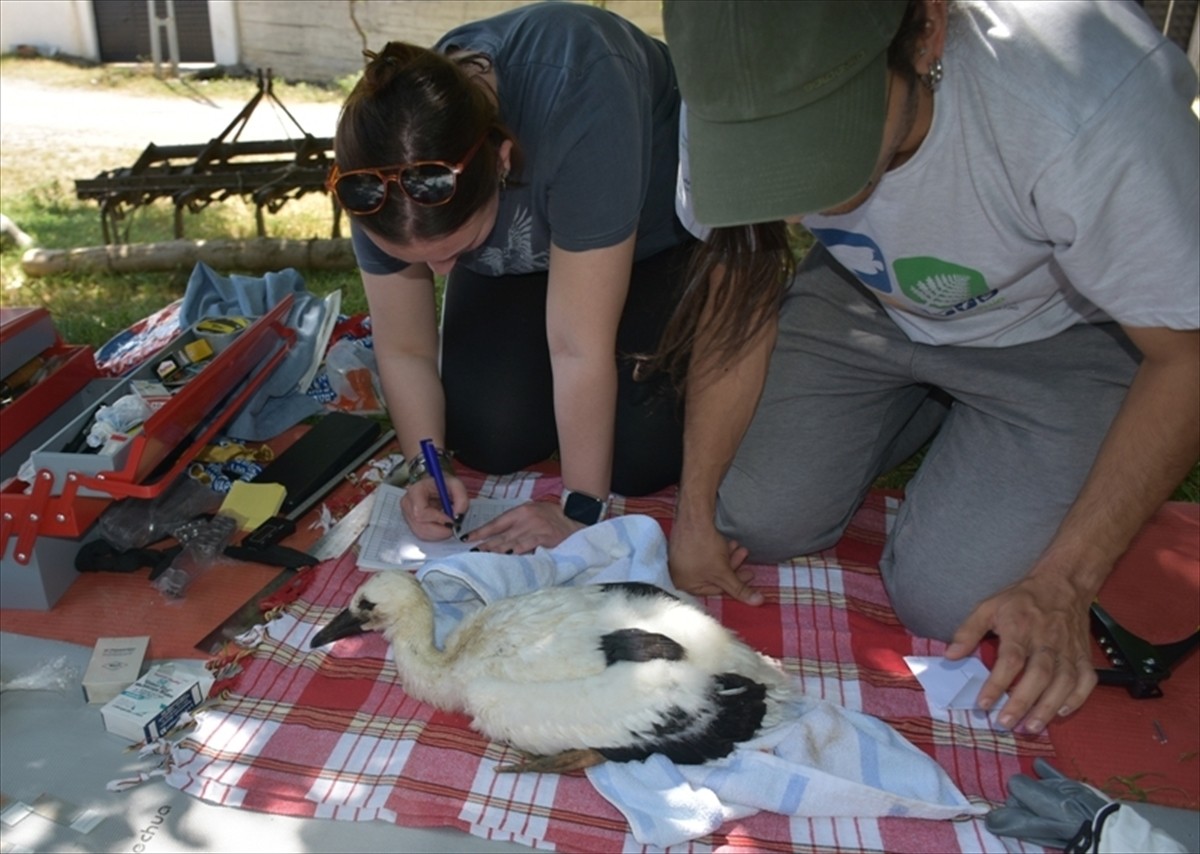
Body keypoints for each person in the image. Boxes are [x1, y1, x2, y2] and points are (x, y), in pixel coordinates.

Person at [658, 0, 1199, 735]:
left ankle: (964, 425)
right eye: (768, 150)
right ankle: (922, 408)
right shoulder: (731, 80)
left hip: (1063, 334)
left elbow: (1186, 355)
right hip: (862, 298)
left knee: (954, 601)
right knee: (749, 517)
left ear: (926, 30)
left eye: (820, 133)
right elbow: (741, 275)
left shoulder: (1089, 102)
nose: (801, 191)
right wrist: (692, 512)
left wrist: (1063, 583)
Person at [330, 3, 693, 551]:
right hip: (527, 246)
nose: (440, 272)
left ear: (502, 162)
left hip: (646, 242)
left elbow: (577, 347)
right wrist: (424, 464)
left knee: (636, 455)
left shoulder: (581, 91)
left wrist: (579, 511)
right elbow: (404, 347)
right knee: (487, 436)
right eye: (416, 258)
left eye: (457, 249)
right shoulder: (379, 173)